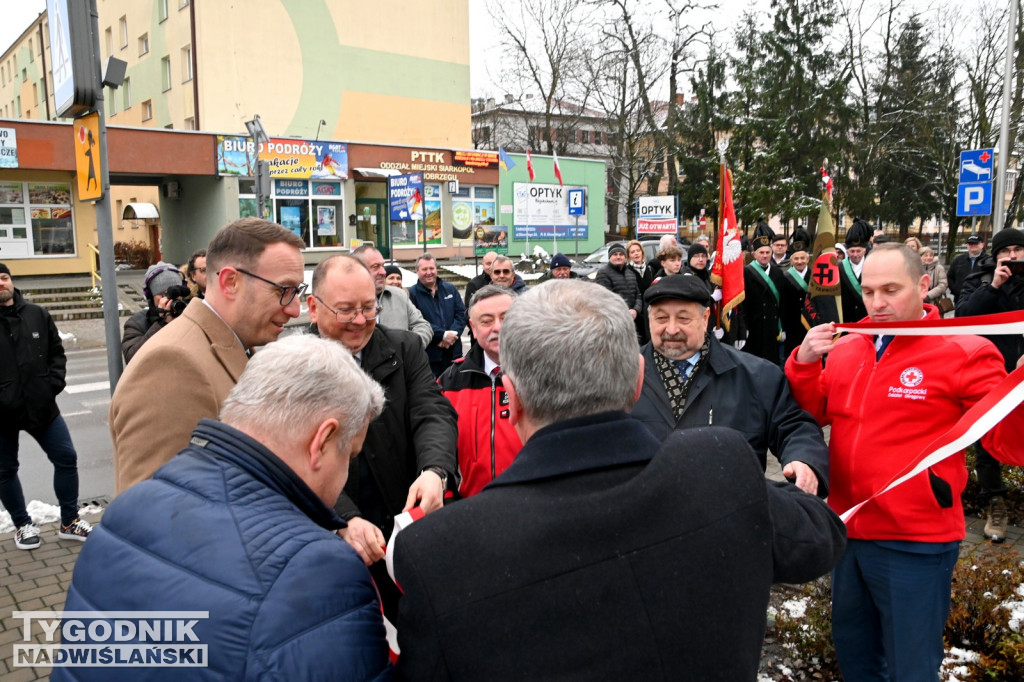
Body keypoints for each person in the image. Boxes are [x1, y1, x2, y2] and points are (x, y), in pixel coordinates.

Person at [394, 280, 846, 681]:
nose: (671, 328)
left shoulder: (438, 552)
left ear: (510, 398)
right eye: (661, 318)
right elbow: (820, 537)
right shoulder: (721, 471)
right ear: (637, 380)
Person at [57, 335, 393, 681]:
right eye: (349, 455)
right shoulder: (315, 570)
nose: (345, 473)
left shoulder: (126, 509)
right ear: (322, 441)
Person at [785, 243, 1024, 681]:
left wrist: (1020, 392)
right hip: (847, 531)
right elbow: (814, 412)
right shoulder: (848, 346)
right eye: (869, 291)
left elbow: (1009, 445)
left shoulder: (964, 351)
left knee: (911, 668)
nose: (877, 303)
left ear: (923, 285)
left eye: (891, 290)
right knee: (856, 661)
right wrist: (803, 364)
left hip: (914, 541)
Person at [308, 255, 457, 619]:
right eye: (346, 310)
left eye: (368, 307)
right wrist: (342, 518)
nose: (360, 320)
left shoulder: (404, 348)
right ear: (313, 307)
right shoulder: (293, 366)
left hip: (404, 525)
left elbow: (432, 412)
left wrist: (435, 471)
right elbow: (293, 459)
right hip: (336, 543)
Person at [109, 218, 306, 494]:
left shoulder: (238, 345)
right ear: (230, 282)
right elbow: (154, 508)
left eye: (298, 291)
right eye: (283, 291)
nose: (295, 309)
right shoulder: (172, 363)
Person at [631, 274, 828, 496]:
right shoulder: (620, 375)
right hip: (646, 509)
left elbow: (793, 425)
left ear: (705, 318)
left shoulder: (757, 375)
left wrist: (804, 459)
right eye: (661, 318)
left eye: (683, 318)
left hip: (732, 508)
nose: (672, 329)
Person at [0, 264, 91, 550]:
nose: (1, 283)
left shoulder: (37, 314)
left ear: (11, 280)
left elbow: (56, 353)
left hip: (42, 406)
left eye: (4, 277)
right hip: (2, 413)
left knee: (66, 457)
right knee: (5, 470)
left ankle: (70, 521)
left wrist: (51, 385)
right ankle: (23, 525)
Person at [955, 228, 1024, 542]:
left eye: (1018, 249)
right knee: (987, 442)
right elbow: (963, 317)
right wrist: (994, 286)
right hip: (989, 374)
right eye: (1005, 251)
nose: (1012, 255)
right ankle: (995, 504)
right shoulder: (980, 279)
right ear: (995, 255)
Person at [438, 285, 522, 498]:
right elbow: (439, 450)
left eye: (506, 318)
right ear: (473, 329)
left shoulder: (545, 376)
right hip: (470, 507)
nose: (498, 327)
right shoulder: (450, 382)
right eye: (486, 321)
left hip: (534, 507)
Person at [353, 244, 432, 348]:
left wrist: (408, 349)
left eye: (383, 266)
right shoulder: (344, 300)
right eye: (376, 267)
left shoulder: (399, 295)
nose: (383, 272)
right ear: (358, 269)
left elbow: (423, 326)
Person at [408, 253, 467, 377]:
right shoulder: (412, 294)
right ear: (417, 271)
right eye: (424, 269)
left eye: (432, 268)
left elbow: (461, 314)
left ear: (436, 269)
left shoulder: (450, 289)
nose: (429, 272)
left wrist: (452, 336)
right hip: (430, 356)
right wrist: (442, 335)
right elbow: (417, 322)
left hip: (454, 353)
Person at [121, 262, 192, 364]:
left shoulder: (191, 316)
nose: (169, 299)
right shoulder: (137, 323)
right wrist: (161, 323)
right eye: (163, 294)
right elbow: (132, 359)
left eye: (175, 294)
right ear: (151, 296)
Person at [742, 232, 786, 366]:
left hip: (772, 326)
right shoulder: (746, 272)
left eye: (768, 252)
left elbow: (782, 303)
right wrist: (744, 329)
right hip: (754, 326)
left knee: (771, 363)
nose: (765, 255)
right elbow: (743, 304)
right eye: (761, 252)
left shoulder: (777, 273)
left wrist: (782, 327)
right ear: (754, 254)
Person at [779, 228, 812, 357]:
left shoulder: (815, 276)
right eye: (796, 258)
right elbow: (782, 305)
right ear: (791, 261)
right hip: (792, 326)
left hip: (811, 326)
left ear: (808, 259)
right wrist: (783, 328)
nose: (800, 261)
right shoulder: (785, 277)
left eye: (802, 258)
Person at [595, 243, 641, 323]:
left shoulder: (630, 273)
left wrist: (636, 310)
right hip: (615, 321)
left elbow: (638, 295)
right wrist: (625, 313)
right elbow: (605, 299)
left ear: (625, 257)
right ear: (610, 257)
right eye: (615, 254)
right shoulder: (603, 273)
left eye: (621, 254)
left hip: (633, 319)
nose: (618, 257)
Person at [839, 218, 872, 322]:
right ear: (847, 251)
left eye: (858, 251)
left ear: (864, 251)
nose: (855, 254)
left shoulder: (872, 266)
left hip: (867, 319)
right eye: (852, 251)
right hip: (846, 320)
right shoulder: (839, 268)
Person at [948, 233, 987, 300]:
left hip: (982, 299)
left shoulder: (988, 260)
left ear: (982, 245)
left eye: (976, 243)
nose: (973, 245)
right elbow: (950, 277)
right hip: (960, 299)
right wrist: (956, 291)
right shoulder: (958, 260)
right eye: (970, 243)